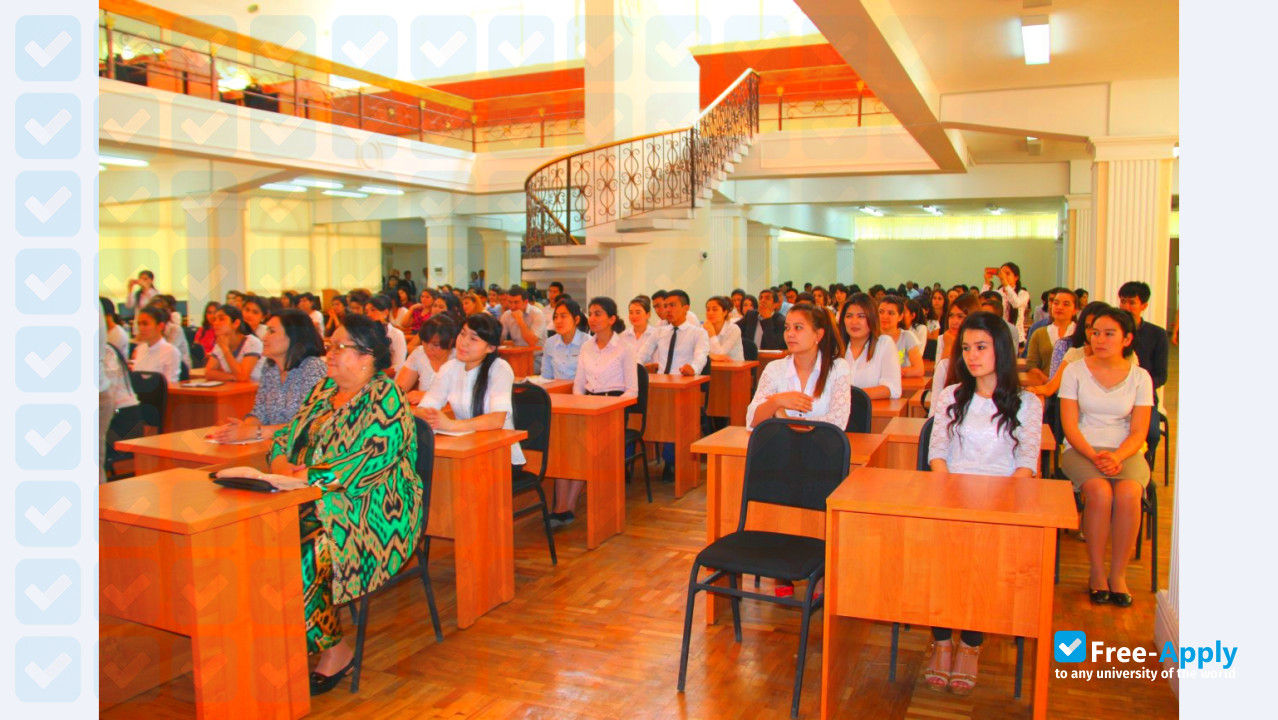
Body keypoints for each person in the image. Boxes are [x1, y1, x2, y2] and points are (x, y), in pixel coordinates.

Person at [222, 313, 423, 693]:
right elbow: (286, 437)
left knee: (306, 549)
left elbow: (365, 463)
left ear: (366, 356)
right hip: (306, 495)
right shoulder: (322, 393)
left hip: (374, 510)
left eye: (338, 348)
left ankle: (335, 649)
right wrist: (281, 464)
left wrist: (303, 478)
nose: (329, 354)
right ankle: (274, 636)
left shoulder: (387, 397)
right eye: (329, 346)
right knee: (253, 535)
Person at [925, 312, 1043, 695]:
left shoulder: (1027, 402)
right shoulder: (951, 395)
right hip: (952, 496)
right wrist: (950, 495)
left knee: (979, 567)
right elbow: (937, 452)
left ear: (1001, 351)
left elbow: (1027, 464)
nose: (972, 356)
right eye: (966, 348)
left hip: (1002, 501)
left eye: (981, 347)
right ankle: (941, 642)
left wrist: (997, 504)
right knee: (942, 563)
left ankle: (971, 645)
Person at [1058, 307, 1154, 609]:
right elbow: (1070, 426)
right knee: (1099, 493)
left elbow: (1139, 430)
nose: (1099, 339)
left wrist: (1119, 456)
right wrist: (1094, 455)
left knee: (1129, 494)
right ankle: (1097, 572)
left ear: (1126, 339)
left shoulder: (1140, 377)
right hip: (1081, 448)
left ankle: (1118, 575)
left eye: (1109, 333)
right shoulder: (1075, 370)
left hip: (1126, 450)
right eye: (1094, 332)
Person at [552, 298, 638, 526]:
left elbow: (632, 390)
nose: (593, 318)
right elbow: (578, 384)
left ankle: (568, 506)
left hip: (613, 409)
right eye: (590, 313)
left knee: (583, 448)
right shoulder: (586, 347)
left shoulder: (625, 348)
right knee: (563, 446)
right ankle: (560, 505)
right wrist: (582, 406)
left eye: (598, 313)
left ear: (611, 319)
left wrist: (606, 408)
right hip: (587, 406)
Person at [415, 313, 524, 466]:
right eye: (462, 334)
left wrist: (450, 425)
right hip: (464, 448)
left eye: (473, 339)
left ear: (491, 347)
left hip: (499, 455)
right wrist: (430, 415)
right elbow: (423, 409)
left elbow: (497, 419)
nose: (463, 343)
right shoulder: (449, 368)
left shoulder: (499, 369)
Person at [207, 310, 328, 442]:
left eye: (272, 331)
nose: (264, 337)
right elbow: (259, 412)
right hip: (272, 446)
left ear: (293, 336)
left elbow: (310, 425)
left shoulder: (313, 369)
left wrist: (256, 432)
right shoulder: (270, 367)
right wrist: (244, 427)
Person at [640, 290, 709, 482]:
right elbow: (642, 355)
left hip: (683, 387)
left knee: (674, 421)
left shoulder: (698, 333)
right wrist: (634, 369)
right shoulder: (659, 332)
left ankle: (672, 462)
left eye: (672, 305)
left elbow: (701, 357)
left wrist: (692, 368)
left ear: (686, 308)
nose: (667, 310)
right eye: (665, 306)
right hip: (660, 385)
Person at [746, 302, 851, 429]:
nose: (790, 334)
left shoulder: (838, 368)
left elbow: (837, 422)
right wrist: (776, 402)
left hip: (822, 446)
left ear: (818, 335)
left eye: (798, 327)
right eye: (787, 328)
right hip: (782, 445)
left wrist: (784, 419)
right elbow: (752, 422)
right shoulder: (774, 368)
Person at [838, 293, 901, 399]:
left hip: (872, 413)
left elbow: (893, 389)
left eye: (861, 316)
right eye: (849, 316)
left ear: (872, 318)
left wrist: (850, 396)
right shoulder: (835, 348)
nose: (854, 322)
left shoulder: (884, 344)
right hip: (837, 413)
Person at [1117, 281, 1169, 391]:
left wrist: (1139, 386)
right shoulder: (1111, 331)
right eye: (1123, 301)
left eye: (1132, 303)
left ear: (1144, 306)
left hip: (1143, 391)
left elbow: (1161, 376)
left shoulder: (1157, 334)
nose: (1126, 307)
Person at [395, 315, 457, 405]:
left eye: (435, 344)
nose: (428, 349)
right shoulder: (419, 354)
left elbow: (464, 396)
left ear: (450, 342)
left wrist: (428, 395)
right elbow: (399, 389)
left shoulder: (460, 359)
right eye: (425, 342)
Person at [1024, 288, 1077, 385]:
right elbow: (1031, 365)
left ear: (1075, 310)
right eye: (1056, 303)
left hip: (1075, 388)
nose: (1059, 307)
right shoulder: (1039, 333)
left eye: (1066, 304)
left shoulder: (1079, 333)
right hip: (1046, 388)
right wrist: (1050, 383)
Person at [205, 304, 263, 383]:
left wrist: (225, 349)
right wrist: (232, 377)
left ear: (236, 323)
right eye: (215, 319)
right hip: (236, 390)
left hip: (257, 391)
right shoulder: (220, 343)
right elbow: (208, 373)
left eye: (221, 319)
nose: (215, 323)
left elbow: (243, 377)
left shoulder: (252, 342)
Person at [499, 285, 547, 373]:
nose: (512, 306)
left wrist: (520, 321)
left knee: (515, 371)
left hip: (536, 357)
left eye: (516, 302)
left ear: (525, 302)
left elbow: (532, 342)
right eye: (510, 302)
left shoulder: (537, 314)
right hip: (515, 356)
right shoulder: (506, 315)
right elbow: (500, 339)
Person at [130, 306, 182, 383]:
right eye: (139, 324)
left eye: (145, 324)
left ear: (160, 326)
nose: (141, 328)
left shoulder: (171, 352)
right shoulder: (140, 349)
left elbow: (170, 386)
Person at [981, 262, 1030, 343]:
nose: (1003, 276)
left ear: (1016, 277)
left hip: (1016, 337)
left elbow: (1016, 303)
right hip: (998, 335)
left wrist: (1005, 283)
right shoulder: (997, 293)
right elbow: (982, 302)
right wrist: (987, 282)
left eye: (1007, 274)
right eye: (1002, 273)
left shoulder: (1023, 293)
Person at [878, 295, 924, 378]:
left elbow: (919, 369)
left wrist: (891, 372)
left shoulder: (907, 336)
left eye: (891, 313)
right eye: (881, 312)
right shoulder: (869, 336)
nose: (884, 317)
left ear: (900, 317)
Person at [542, 298, 589, 380]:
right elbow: (546, 376)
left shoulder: (588, 342)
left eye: (563, 316)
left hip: (581, 391)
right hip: (557, 390)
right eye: (556, 317)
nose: (558, 321)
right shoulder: (550, 343)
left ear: (576, 319)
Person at [364, 294, 408, 376]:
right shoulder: (365, 333)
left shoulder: (396, 334)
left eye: (373, 310)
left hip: (386, 378)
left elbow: (399, 366)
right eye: (366, 312)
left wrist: (374, 376)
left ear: (386, 312)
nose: (369, 315)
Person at [703, 296, 744, 362]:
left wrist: (711, 333)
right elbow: (696, 353)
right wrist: (710, 356)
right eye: (708, 310)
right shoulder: (703, 328)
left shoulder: (734, 329)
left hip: (734, 368)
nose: (710, 313)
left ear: (724, 313)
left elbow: (721, 355)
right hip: (713, 368)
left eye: (715, 309)